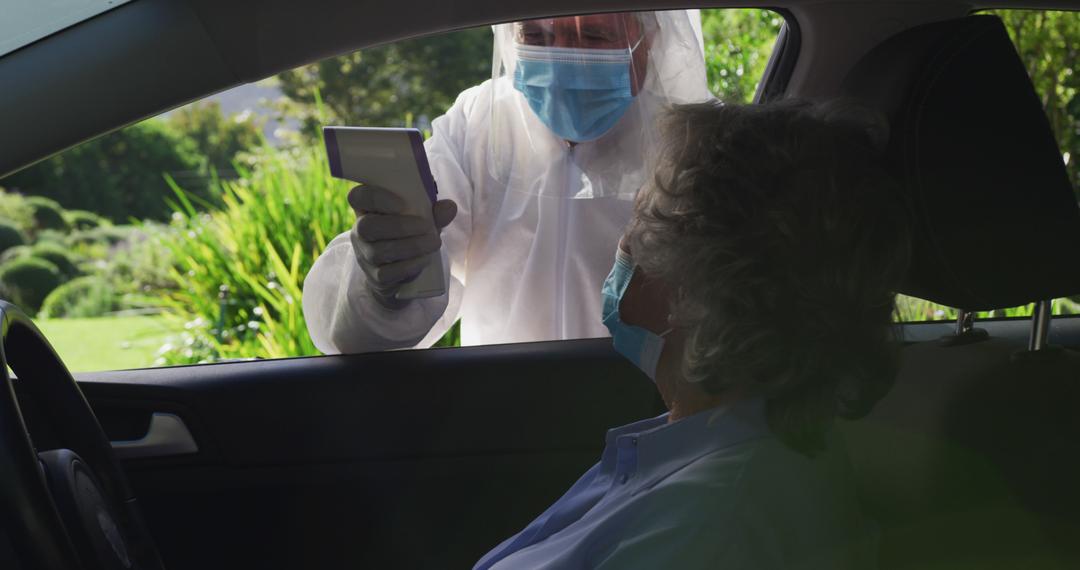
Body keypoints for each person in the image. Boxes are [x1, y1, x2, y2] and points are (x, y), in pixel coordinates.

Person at [472, 100, 911, 569]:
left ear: (689, 287)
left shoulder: (706, 529)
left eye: (639, 223)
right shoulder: (711, 457)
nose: (623, 248)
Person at [302, 11, 711, 352]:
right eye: (535, 35)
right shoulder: (480, 122)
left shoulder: (699, 144)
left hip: (650, 417)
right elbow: (407, 305)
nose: (562, 58)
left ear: (652, 36)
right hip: (501, 409)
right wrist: (389, 277)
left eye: (596, 36)